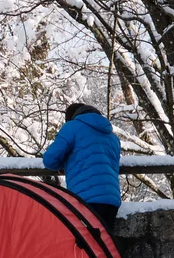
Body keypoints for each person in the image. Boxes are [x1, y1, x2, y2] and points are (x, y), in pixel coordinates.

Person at [41, 98, 123, 231]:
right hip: (111, 200)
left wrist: (64, 164)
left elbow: (50, 160)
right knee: (105, 247)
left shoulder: (72, 127)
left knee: (86, 246)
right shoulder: (112, 137)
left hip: (85, 198)